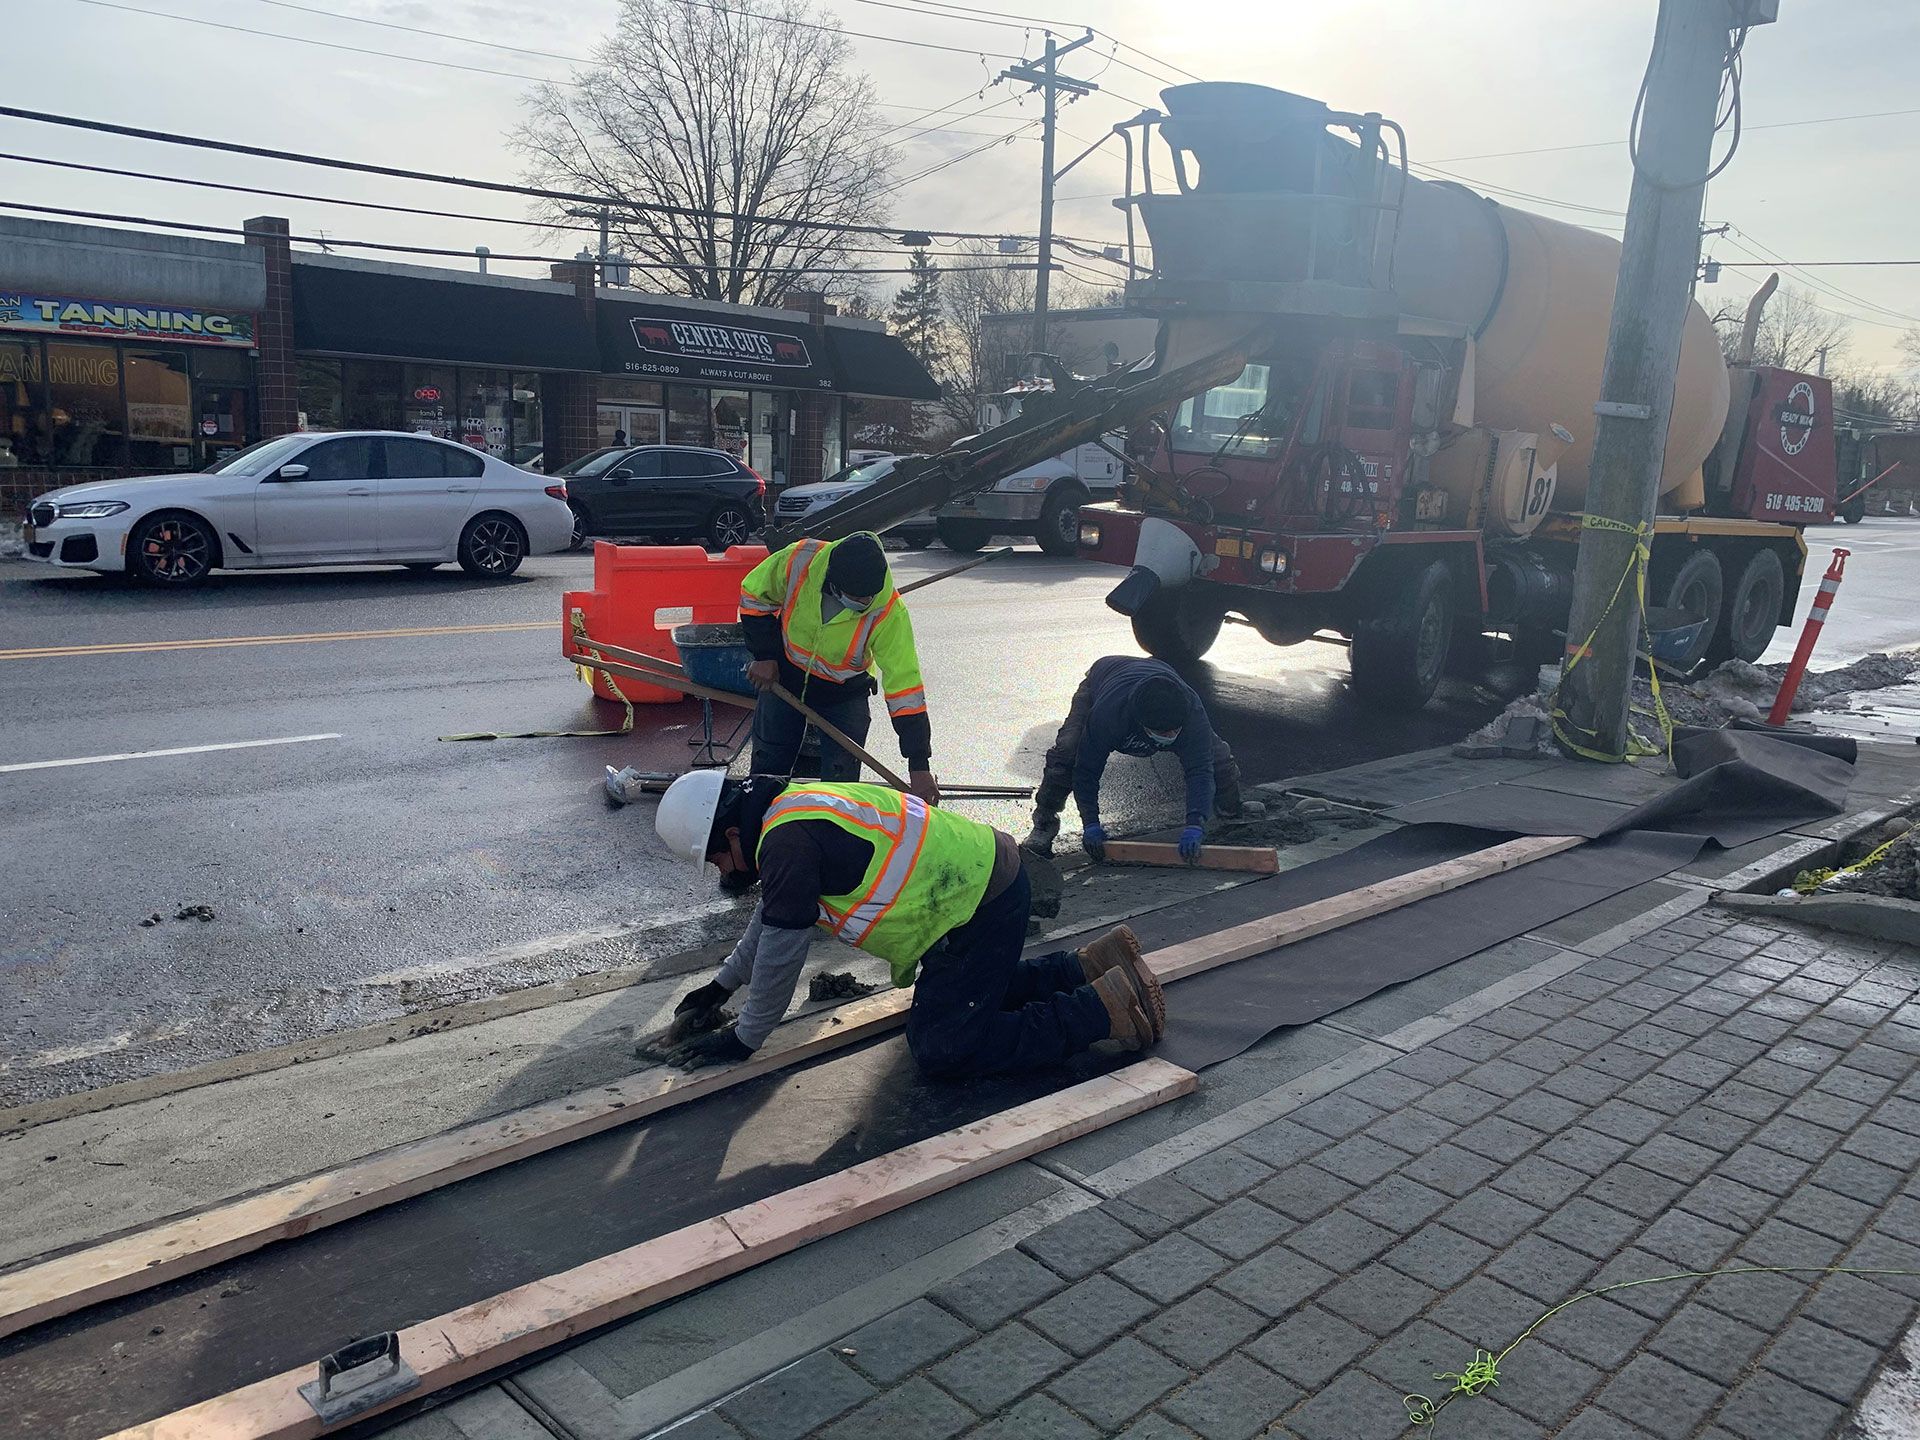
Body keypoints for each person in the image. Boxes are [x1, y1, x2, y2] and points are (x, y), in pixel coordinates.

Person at [651, 771, 1165, 1075]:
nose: (722, 871)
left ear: (733, 832)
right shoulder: (787, 813)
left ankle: (1098, 1010)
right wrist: (718, 990)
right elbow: (771, 922)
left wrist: (743, 1041)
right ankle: (1085, 967)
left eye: (717, 859)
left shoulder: (784, 845)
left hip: (976, 905)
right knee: (966, 993)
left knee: (944, 1045)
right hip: (979, 891)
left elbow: (782, 957)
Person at [739, 531, 939, 805]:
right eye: (857, 597)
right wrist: (764, 656)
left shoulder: (888, 611)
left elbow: (905, 689)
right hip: (784, 678)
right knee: (766, 775)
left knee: (840, 789)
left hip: (844, 693)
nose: (864, 603)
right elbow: (754, 595)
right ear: (833, 583)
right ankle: (758, 830)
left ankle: (828, 836)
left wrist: (919, 765)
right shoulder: (799, 560)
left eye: (869, 597)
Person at [1025, 655, 1258, 861]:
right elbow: (1087, 769)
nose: (1169, 738)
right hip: (1103, 680)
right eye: (1162, 733)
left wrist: (1195, 822)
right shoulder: (1109, 715)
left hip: (1157, 677)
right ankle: (1045, 821)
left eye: (1174, 732)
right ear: (1141, 723)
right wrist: (1091, 823)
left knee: (1218, 757)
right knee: (1068, 751)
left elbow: (1200, 770)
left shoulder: (1190, 712)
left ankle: (1230, 813)